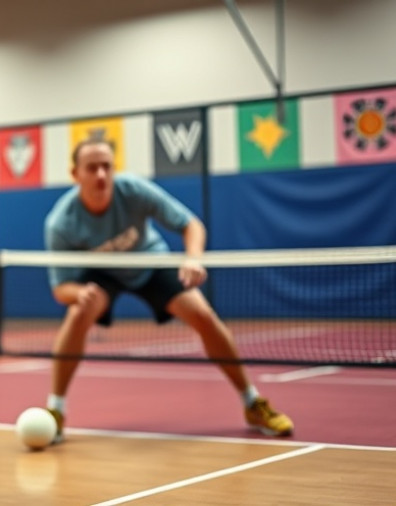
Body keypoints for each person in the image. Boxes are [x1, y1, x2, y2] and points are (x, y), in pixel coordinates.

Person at [42, 139, 293, 443]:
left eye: (106, 166)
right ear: (75, 174)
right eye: (92, 168)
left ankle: (252, 402)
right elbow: (61, 288)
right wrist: (78, 295)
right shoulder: (61, 223)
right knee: (78, 313)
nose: (101, 175)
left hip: (150, 262)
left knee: (203, 315)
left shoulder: (133, 190)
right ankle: (55, 409)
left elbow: (191, 225)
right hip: (102, 274)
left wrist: (193, 258)